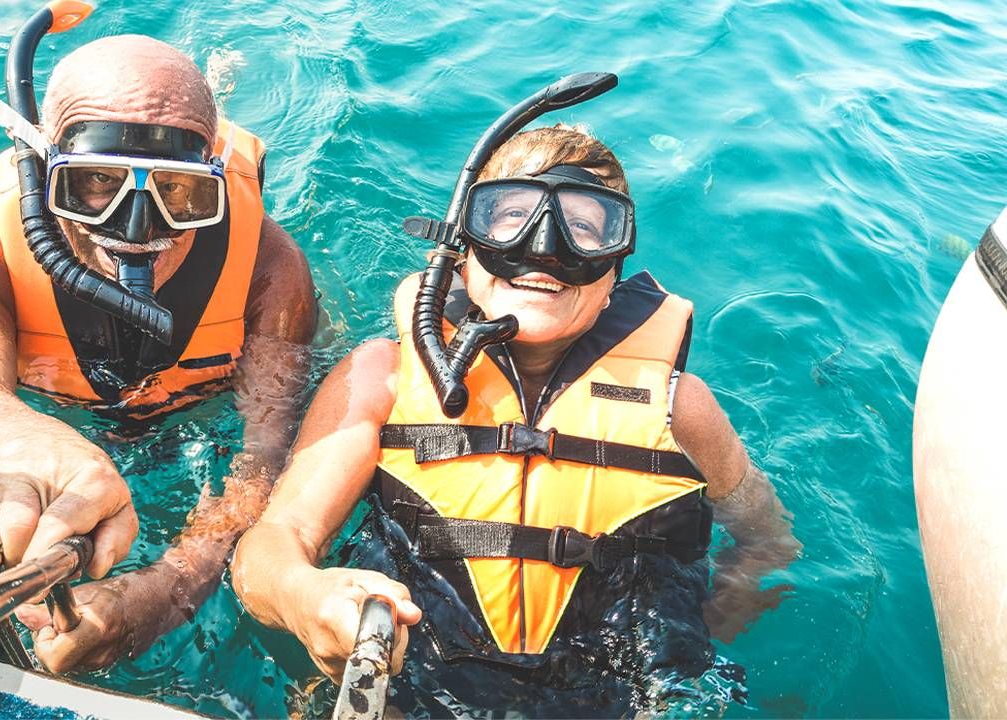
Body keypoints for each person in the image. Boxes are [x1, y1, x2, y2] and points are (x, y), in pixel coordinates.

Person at [231, 75, 800, 716]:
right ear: (463, 251)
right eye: (508, 218)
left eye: (586, 229)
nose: (543, 249)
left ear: (615, 271)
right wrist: (307, 596)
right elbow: (271, 545)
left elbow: (768, 541)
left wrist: (697, 644)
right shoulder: (381, 378)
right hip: (417, 690)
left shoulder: (680, 408)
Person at [0, 15, 315, 674]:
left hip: (196, 414)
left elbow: (264, 453)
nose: (137, 228)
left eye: (178, 190)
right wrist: (27, 441)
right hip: (69, 422)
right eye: (96, 182)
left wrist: (169, 590)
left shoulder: (271, 271)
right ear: (42, 168)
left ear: (214, 177)